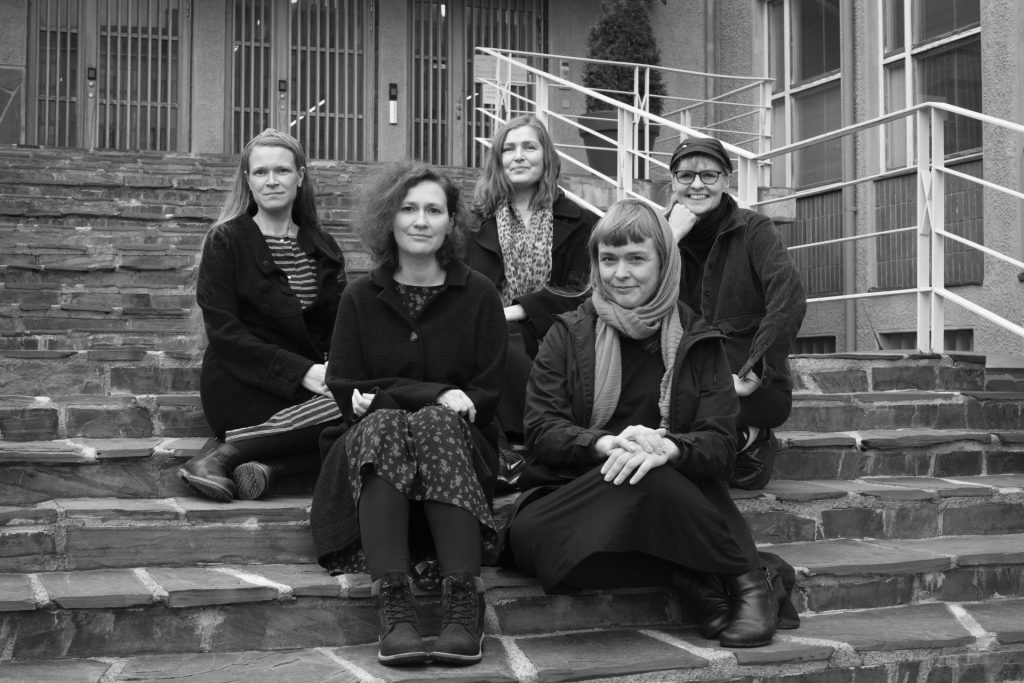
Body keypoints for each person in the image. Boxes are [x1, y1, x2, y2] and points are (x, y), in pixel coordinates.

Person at [504, 200, 798, 649]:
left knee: (650, 470)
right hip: (577, 493)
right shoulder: (566, 334)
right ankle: (708, 576)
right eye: (608, 259)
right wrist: (606, 444)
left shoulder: (699, 341)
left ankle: (747, 588)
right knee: (533, 542)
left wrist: (669, 449)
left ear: (664, 263)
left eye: (636, 258)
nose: (619, 273)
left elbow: (720, 443)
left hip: (672, 500)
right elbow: (542, 431)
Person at [309, 162, 507, 667]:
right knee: (384, 423)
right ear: (388, 219)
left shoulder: (480, 294)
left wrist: (401, 396)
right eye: (408, 208)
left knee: (436, 421)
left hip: (460, 456)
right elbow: (345, 389)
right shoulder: (359, 296)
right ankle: (393, 606)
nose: (421, 220)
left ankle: (464, 602)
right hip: (371, 461)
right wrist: (438, 392)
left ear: (450, 223)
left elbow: (486, 395)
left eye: (433, 210)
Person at [179, 128, 347, 502]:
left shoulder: (324, 247)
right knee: (353, 407)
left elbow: (339, 327)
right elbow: (224, 332)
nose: (271, 181)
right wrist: (304, 372)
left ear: (300, 177)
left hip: (309, 396)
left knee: (373, 408)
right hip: (241, 385)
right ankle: (226, 453)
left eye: (282, 171)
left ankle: (267, 468)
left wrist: (338, 367)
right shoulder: (225, 240)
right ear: (247, 181)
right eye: (260, 172)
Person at [665, 135, 806, 490]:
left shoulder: (754, 230)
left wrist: (754, 370)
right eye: (685, 175)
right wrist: (670, 238)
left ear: (726, 180)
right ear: (672, 182)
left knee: (681, 419)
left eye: (709, 175)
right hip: (678, 381)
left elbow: (787, 296)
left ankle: (750, 436)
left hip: (747, 390)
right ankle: (743, 443)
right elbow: (627, 295)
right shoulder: (658, 233)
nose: (697, 184)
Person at [467, 114, 599, 453]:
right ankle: (524, 439)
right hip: (485, 335)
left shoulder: (583, 222)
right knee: (498, 340)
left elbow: (584, 289)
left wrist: (518, 311)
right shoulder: (472, 223)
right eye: (508, 149)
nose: (519, 156)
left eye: (529, 146)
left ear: (547, 157)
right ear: (498, 161)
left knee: (507, 337)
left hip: (557, 332)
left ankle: (526, 439)